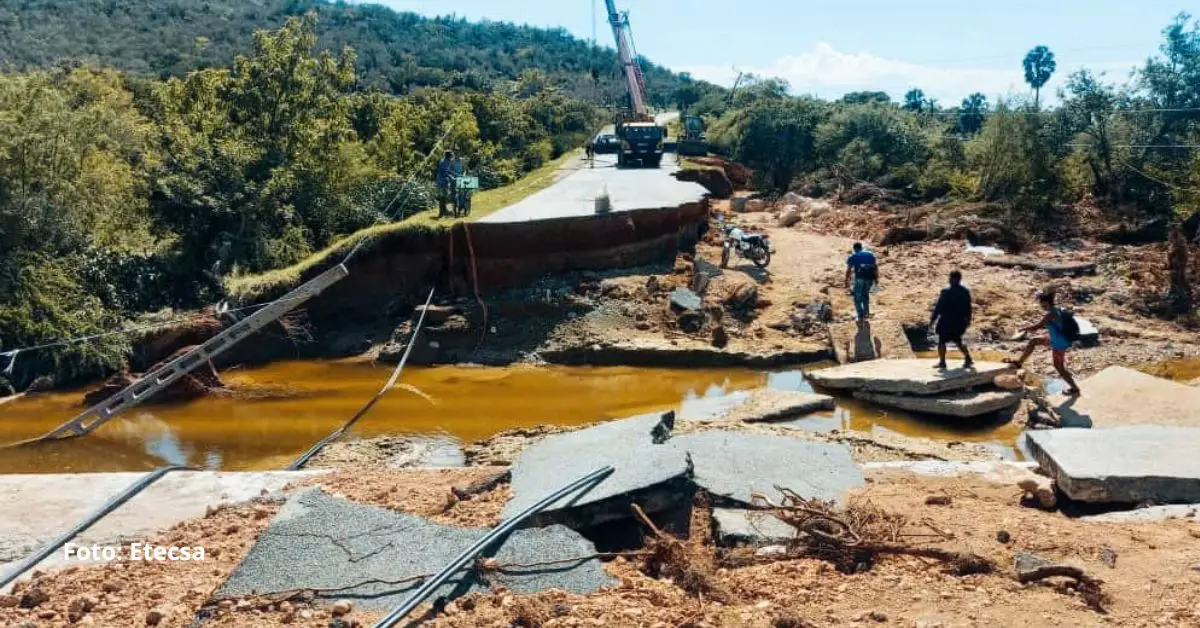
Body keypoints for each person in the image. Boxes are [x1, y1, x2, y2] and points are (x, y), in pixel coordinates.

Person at [1009, 291, 1082, 396]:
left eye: (1045, 305)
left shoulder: (1051, 314)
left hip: (1059, 344)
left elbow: (1037, 327)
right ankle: (1020, 362)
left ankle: (1075, 388)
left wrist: (1024, 328)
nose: (1043, 307)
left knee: (1059, 367)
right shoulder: (1058, 310)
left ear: (1050, 303)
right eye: (1042, 305)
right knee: (1033, 341)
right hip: (1056, 339)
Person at [930, 270, 974, 370]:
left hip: (946, 320)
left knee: (942, 341)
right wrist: (968, 320)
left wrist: (933, 319)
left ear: (951, 278)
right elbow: (969, 308)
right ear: (960, 279)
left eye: (950, 278)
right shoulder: (965, 291)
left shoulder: (946, 291)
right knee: (958, 340)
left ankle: (942, 362)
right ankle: (968, 357)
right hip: (959, 321)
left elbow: (939, 306)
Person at [844, 242, 878, 324]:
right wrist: (876, 278)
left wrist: (846, 281)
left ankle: (860, 316)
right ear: (861, 247)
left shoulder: (853, 256)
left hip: (859, 278)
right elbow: (875, 267)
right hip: (870, 278)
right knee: (865, 295)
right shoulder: (870, 255)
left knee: (857, 297)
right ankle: (866, 314)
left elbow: (849, 270)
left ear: (854, 249)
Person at [435, 150, 455, 218]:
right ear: (448, 156)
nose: (452, 157)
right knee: (443, 197)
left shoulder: (443, 160)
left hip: (440, 181)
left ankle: (444, 211)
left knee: (443, 197)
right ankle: (442, 212)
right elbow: (445, 172)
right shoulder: (445, 162)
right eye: (451, 156)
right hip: (442, 182)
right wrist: (451, 177)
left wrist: (452, 174)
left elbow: (448, 171)